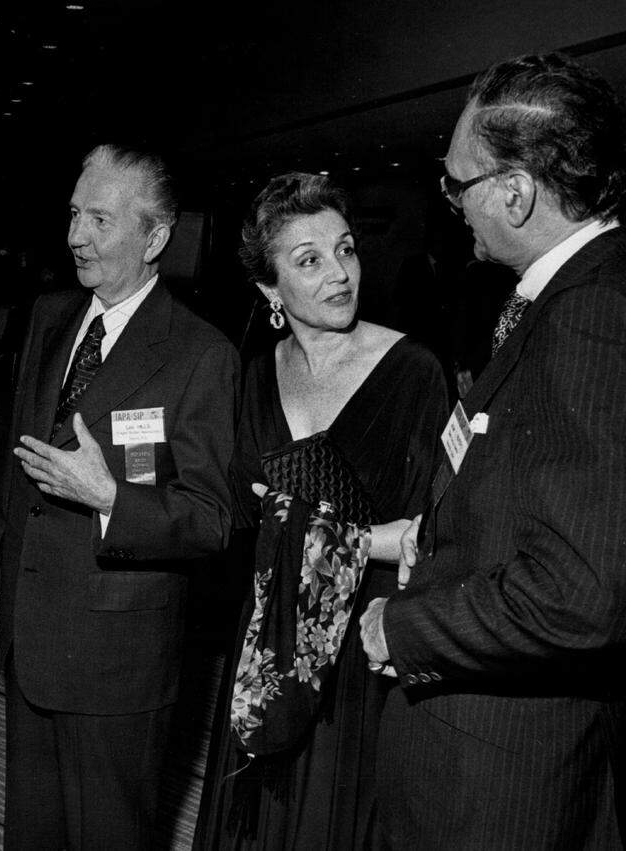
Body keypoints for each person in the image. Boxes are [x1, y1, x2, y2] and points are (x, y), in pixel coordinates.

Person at [360, 52, 626, 847]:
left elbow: (584, 593)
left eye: (458, 184)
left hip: (500, 782)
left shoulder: (595, 315)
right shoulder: (570, 293)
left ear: (516, 192)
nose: (449, 201)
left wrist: (403, 627)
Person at [0, 143, 240, 850]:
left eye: (98, 218)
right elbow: (17, 456)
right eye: (72, 214)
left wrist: (109, 499)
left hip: (117, 660)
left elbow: (213, 518)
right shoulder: (51, 316)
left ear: (154, 237)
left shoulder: (201, 354)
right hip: (30, 634)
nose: (74, 236)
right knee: (31, 833)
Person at [194, 172, 448, 849]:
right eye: (309, 260)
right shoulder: (255, 376)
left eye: (346, 249)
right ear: (270, 291)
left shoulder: (413, 369)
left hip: (362, 656)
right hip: (272, 644)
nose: (340, 273)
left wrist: (322, 532)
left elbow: (434, 537)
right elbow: (239, 522)